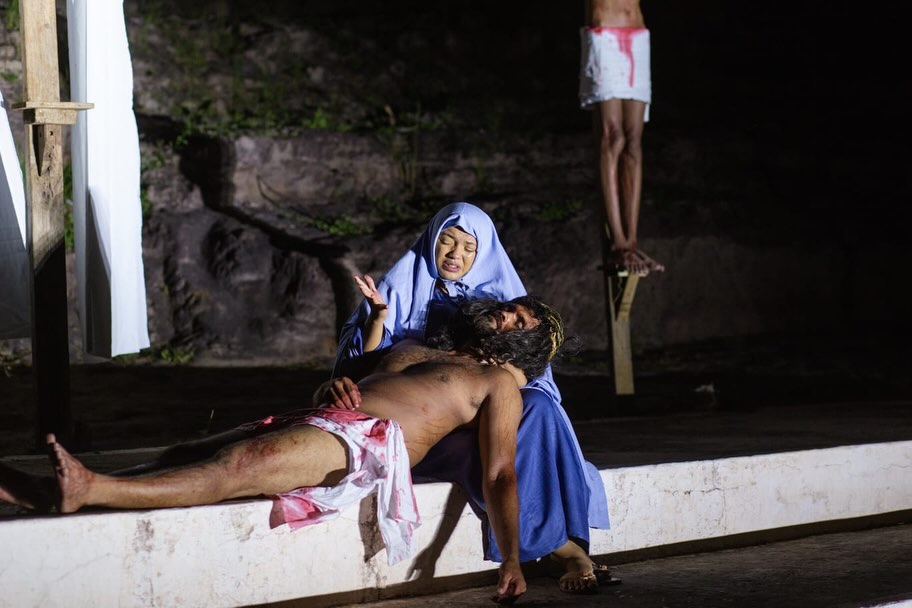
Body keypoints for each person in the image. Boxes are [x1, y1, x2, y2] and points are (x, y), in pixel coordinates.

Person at [0, 296, 571, 605]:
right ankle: (50, 491)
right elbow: (345, 385)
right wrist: (331, 388)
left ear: (523, 346)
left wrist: (512, 559)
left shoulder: (498, 385)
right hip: (325, 419)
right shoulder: (419, 348)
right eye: (513, 306)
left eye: (521, 321)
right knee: (186, 449)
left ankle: (89, 488)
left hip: (364, 446)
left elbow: (500, 473)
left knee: (238, 468)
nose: (508, 313)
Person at [332, 202, 616, 593]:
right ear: (432, 241)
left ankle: (565, 545)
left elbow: (533, 372)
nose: (455, 254)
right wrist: (379, 317)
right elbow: (368, 368)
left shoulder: (500, 302)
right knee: (487, 448)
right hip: (423, 415)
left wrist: (496, 380)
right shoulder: (404, 288)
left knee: (538, 407)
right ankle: (561, 549)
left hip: (483, 408)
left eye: (469, 248)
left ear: (483, 253)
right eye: (447, 241)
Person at [580, 0, 664, 275]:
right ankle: (618, 242)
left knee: (633, 142)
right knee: (612, 138)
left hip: (636, 32)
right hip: (604, 33)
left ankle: (631, 241)